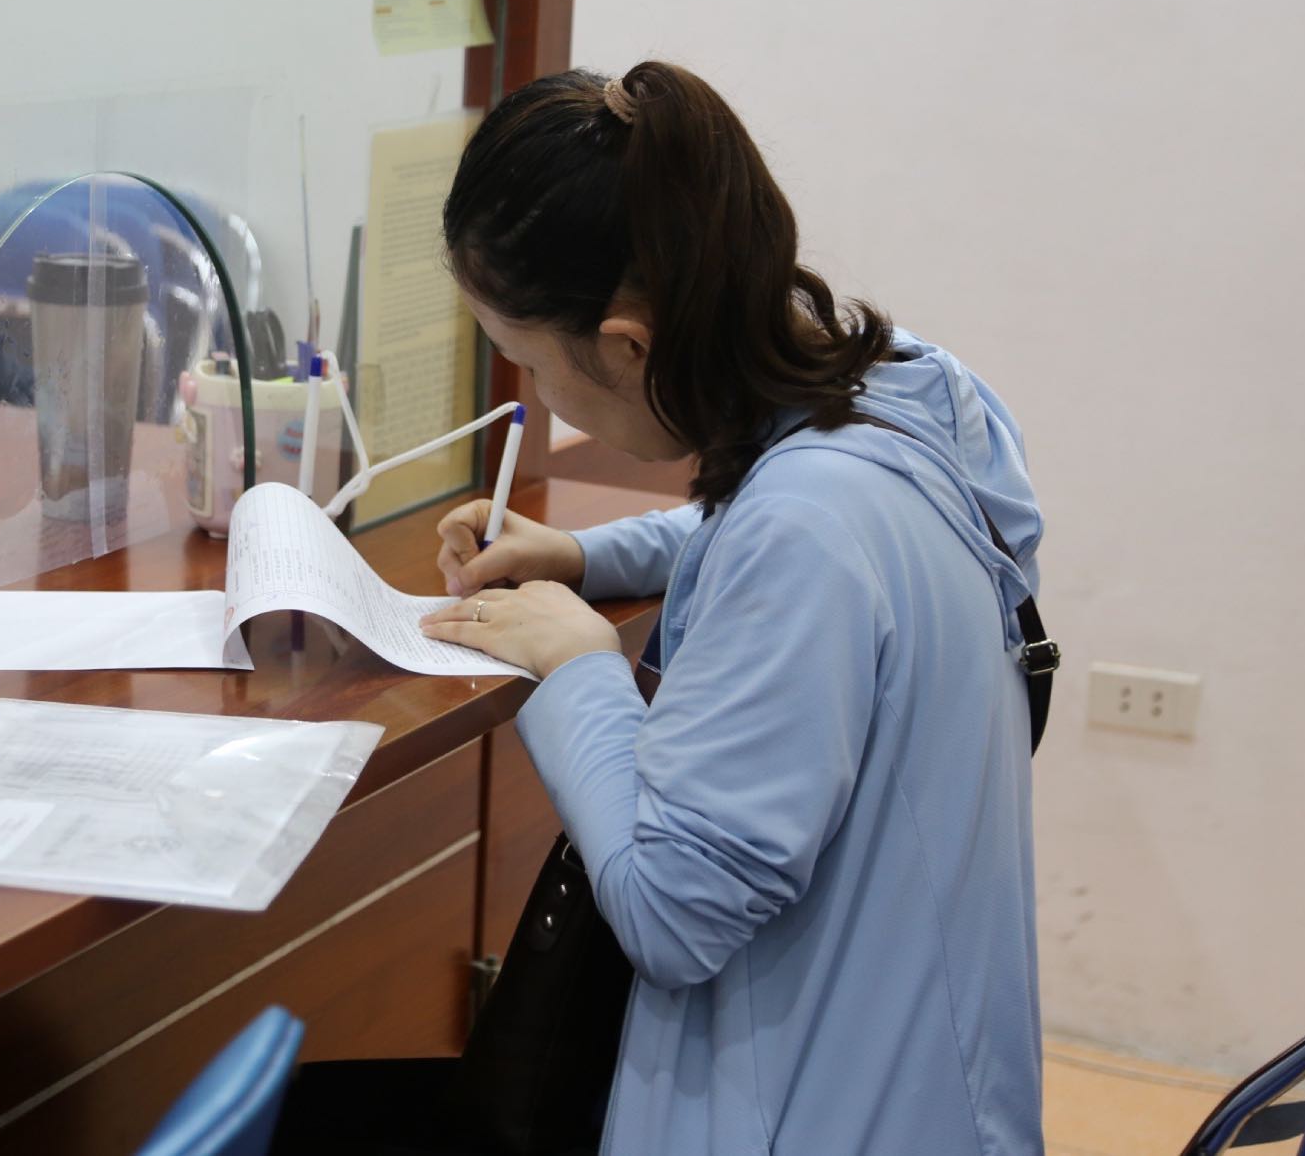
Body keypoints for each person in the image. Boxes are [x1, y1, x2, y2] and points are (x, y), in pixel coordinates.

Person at [276, 61, 1045, 1156]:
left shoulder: (806, 531)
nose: (535, 394)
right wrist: (584, 554)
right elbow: (772, 528)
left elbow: (673, 911)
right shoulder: (904, 394)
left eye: (532, 363)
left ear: (627, 343)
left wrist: (579, 669)